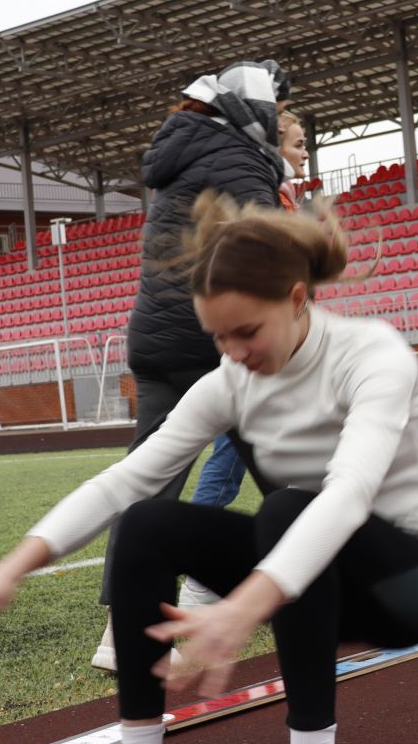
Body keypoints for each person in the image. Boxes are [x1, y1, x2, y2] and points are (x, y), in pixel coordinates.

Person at [0, 192, 418, 744]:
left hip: (409, 581)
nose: (233, 353)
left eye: (247, 332)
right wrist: (4, 573)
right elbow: (123, 479)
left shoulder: (373, 355)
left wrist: (241, 609)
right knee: (146, 521)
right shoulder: (229, 382)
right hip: (308, 575)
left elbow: (349, 495)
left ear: (298, 299)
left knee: (287, 508)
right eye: (217, 337)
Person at [89, 61, 291, 671]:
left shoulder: (178, 155)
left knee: (147, 484)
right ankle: (327, 601)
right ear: (251, 110)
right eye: (274, 110)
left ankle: (121, 637)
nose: (278, 121)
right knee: (291, 473)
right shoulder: (239, 157)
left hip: (155, 339)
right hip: (214, 341)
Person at [187, 110, 310, 514]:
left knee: (273, 447)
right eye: (298, 144)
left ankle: (307, 542)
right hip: (268, 342)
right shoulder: (263, 195)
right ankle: (201, 568)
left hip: (285, 339)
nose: (306, 153)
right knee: (234, 450)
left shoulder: (282, 196)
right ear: (275, 148)